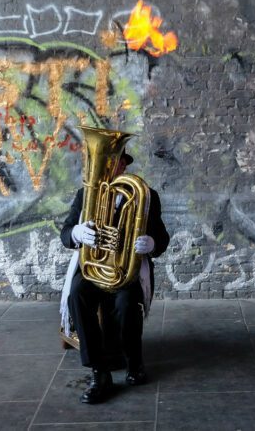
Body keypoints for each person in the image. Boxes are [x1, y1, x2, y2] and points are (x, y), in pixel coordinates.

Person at [60, 152, 170, 404]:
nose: (109, 167)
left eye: (116, 162)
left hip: (127, 270)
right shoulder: (85, 195)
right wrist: (77, 233)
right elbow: (65, 233)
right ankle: (99, 371)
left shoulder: (146, 195)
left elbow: (162, 239)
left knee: (126, 302)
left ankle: (135, 362)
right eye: (105, 162)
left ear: (123, 165)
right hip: (93, 267)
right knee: (77, 294)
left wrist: (151, 243)